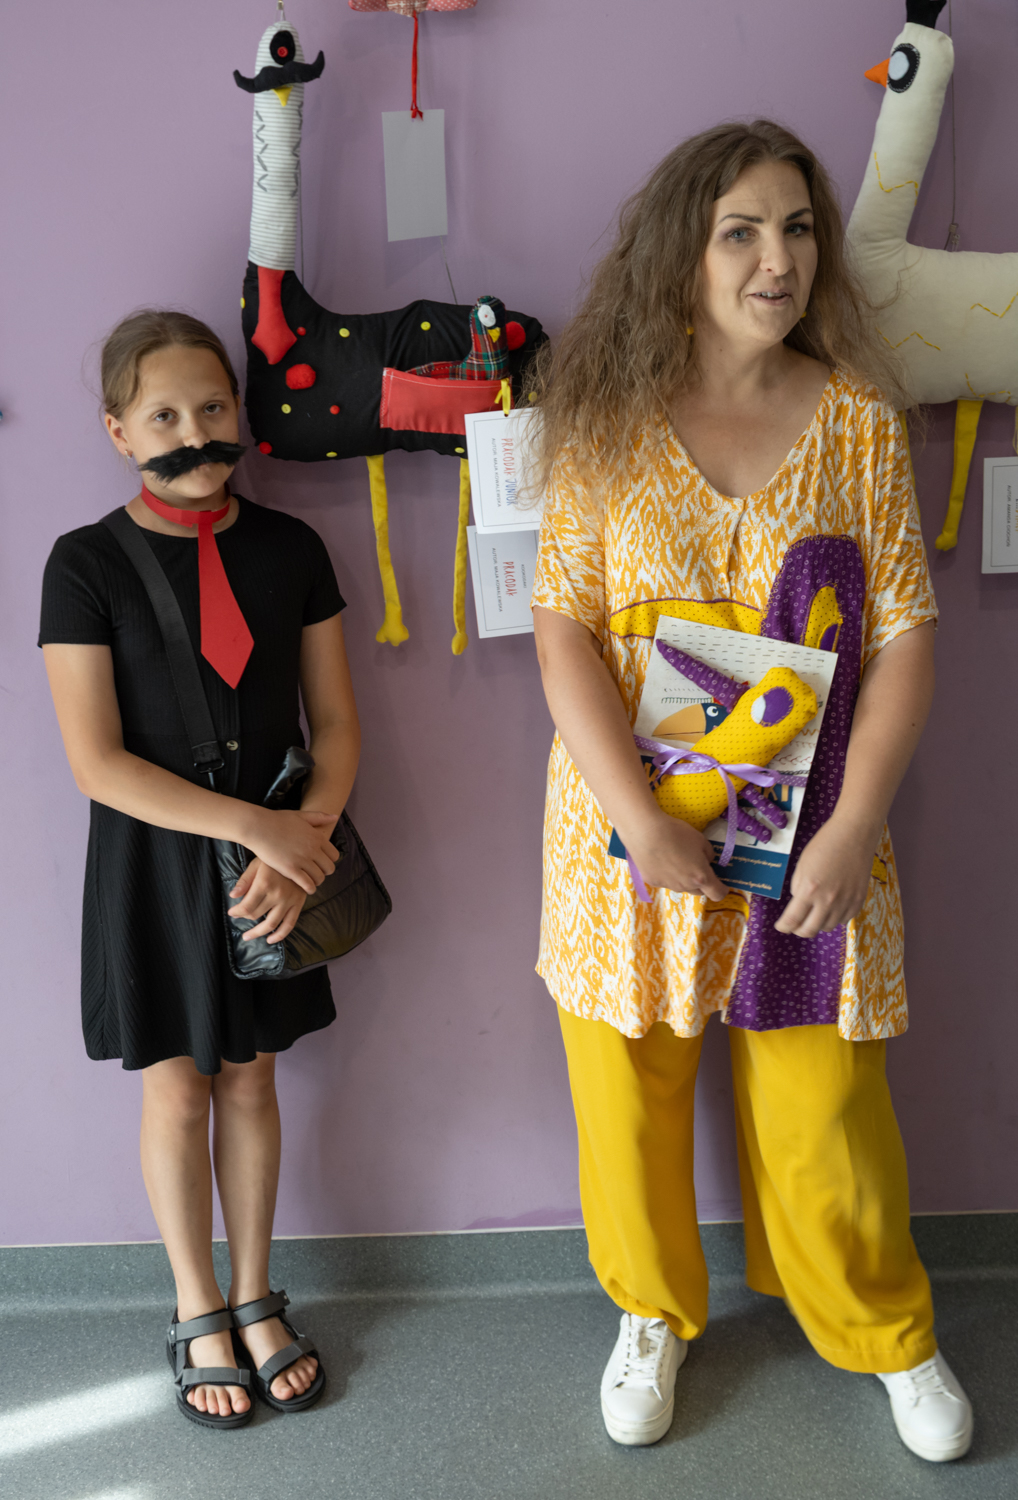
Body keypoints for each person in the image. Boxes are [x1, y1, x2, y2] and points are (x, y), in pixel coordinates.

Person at [528, 121, 973, 1463]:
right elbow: (560, 629)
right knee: (624, 1091)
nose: (776, 259)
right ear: (683, 251)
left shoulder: (855, 424)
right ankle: (650, 1312)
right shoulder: (601, 420)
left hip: (814, 826)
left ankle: (884, 1331)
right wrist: (637, 818)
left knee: (824, 1107)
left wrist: (854, 826)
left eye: (796, 229)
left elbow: (904, 637)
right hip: (630, 827)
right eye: (740, 232)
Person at [40, 310, 360, 1429]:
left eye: (213, 407)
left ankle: (256, 1293)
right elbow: (95, 762)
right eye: (165, 415)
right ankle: (196, 1305)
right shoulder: (83, 563)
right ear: (118, 431)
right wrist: (258, 831)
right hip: (155, 859)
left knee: (253, 1079)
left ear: (241, 412)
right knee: (177, 1087)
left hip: (284, 858)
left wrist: (303, 839)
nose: (194, 434)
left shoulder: (294, 550)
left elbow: (335, 723)